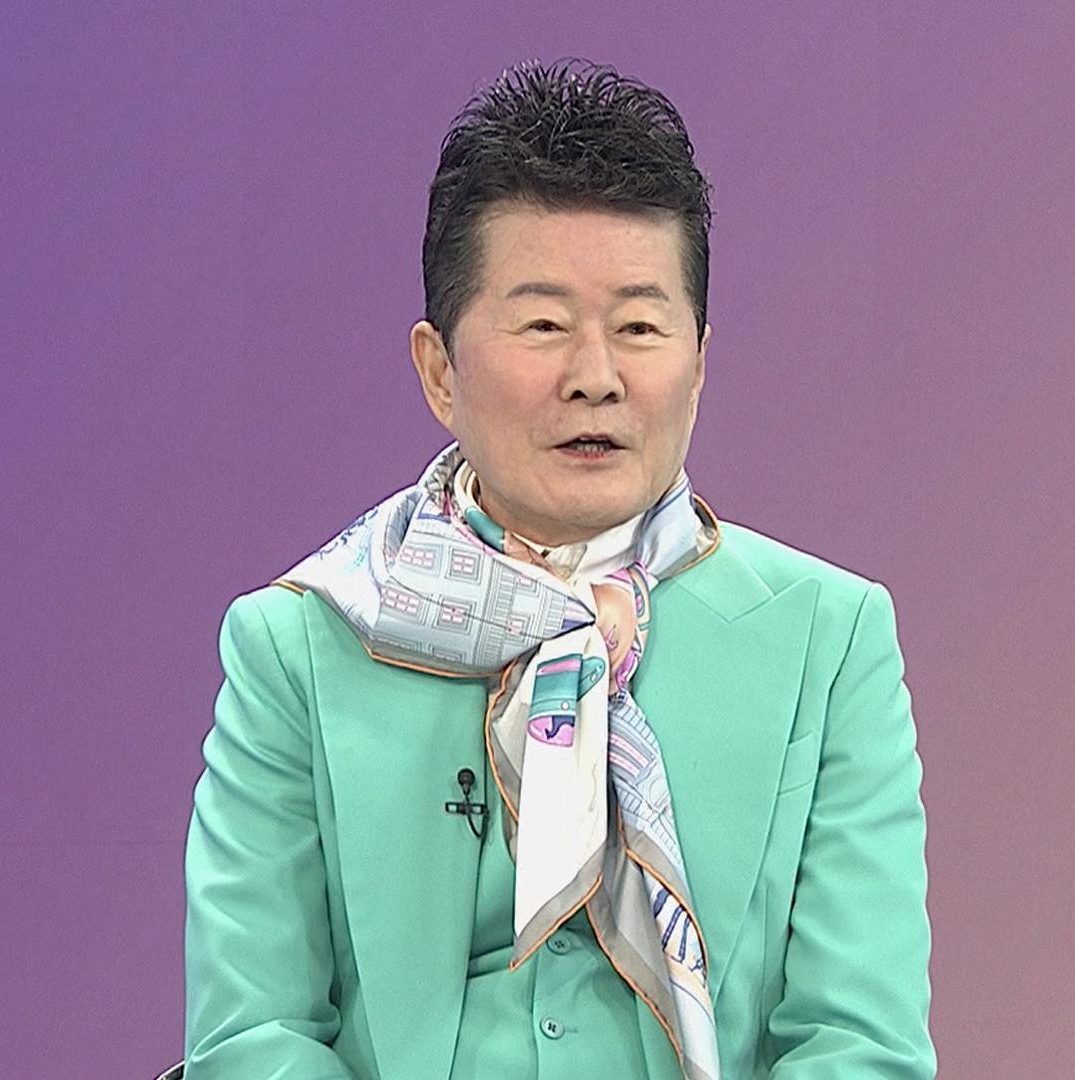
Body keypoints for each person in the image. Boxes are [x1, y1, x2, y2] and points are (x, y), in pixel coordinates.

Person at [182, 58, 934, 1080]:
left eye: (639, 328)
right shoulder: (299, 643)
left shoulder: (828, 641)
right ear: (439, 369)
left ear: (698, 365)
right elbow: (250, 1038)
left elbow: (860, 1045)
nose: (596, 377)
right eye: (543, 325)